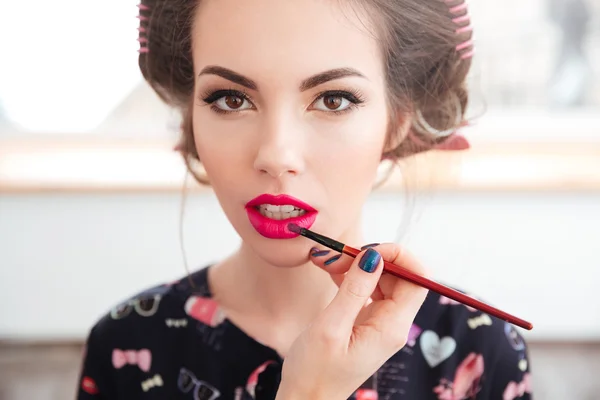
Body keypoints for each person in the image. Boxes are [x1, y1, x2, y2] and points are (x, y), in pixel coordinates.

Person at [77, 0, 533, 399]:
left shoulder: (480, 351)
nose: (276, 156)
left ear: (397, 122)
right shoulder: (125, 344)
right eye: (230, 99)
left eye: (333, 100)